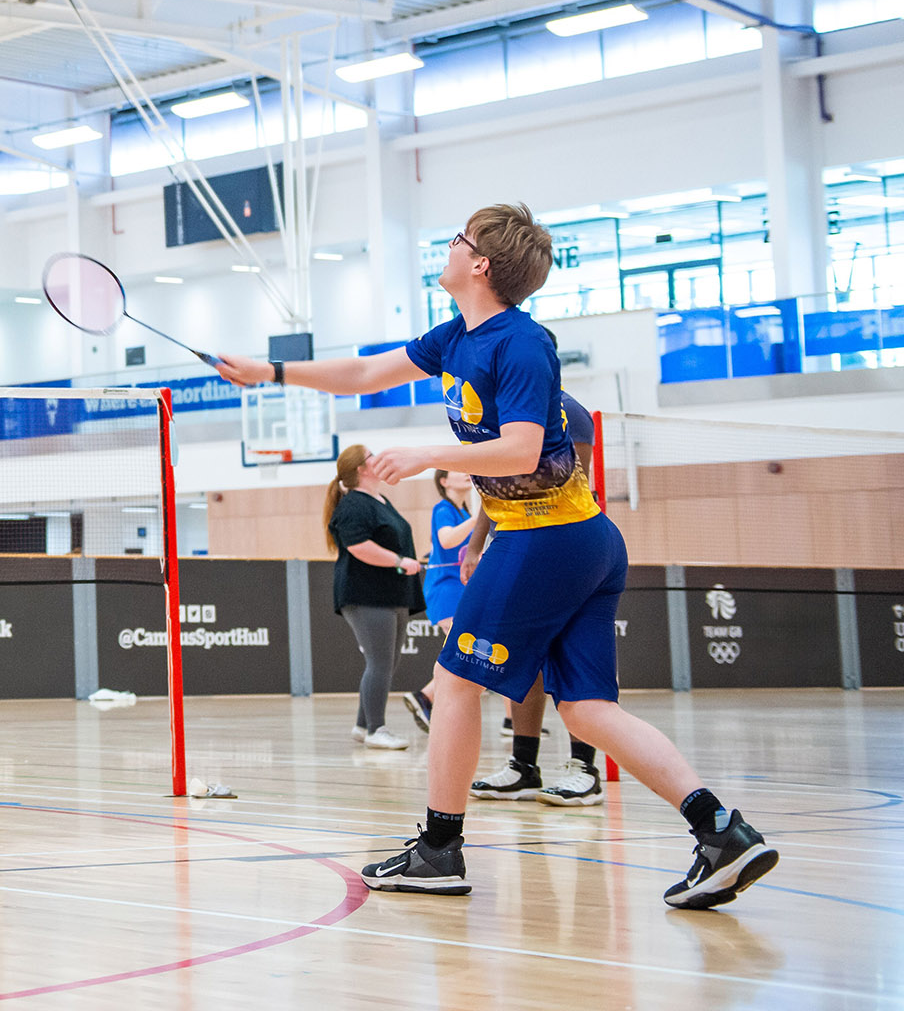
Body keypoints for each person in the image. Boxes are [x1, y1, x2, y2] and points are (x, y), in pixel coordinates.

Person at [217, 203, 778, 909]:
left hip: (547, 536)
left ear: (480, 263)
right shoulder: (457, 335)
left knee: (453, 685)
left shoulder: (520, 343)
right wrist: (269, 371)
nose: (447, 247)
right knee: (586, 710)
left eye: (457, 239)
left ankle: (439, 849)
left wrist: (428, 452)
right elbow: (366, 375)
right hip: (577, 540)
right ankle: (721, 831)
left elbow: (517, 446)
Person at [465, 390, 605, 806]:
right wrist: (475, 547)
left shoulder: (571, 414)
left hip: (562, 548)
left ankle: (584, 768)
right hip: (516, 548)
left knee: (572, 656)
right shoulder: (504, 414)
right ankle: (523, 766)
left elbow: (568, 487)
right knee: (523, 659)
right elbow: (498, 491)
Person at [323, 444, 426, 751]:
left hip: (390, 593)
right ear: (361, 469)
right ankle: (376, 729)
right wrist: (398, 561)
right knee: (380, 663)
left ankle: (363, 724)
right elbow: (359, 547)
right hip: (366, 594)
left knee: (385, 661)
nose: (377, 459)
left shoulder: (379, 500)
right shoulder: (354, 504)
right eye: (371, 457)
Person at [399, 469, 477, 733]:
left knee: (463, 651)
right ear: (444, 482)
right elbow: (446, 538)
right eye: (459, 472)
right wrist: (481, 518)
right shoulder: (443, 509)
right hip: (445, 590)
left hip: (461, 589)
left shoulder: (464, 512)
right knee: (462, 649)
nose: (467, 475)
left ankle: (426, 697)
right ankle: (427, 696)